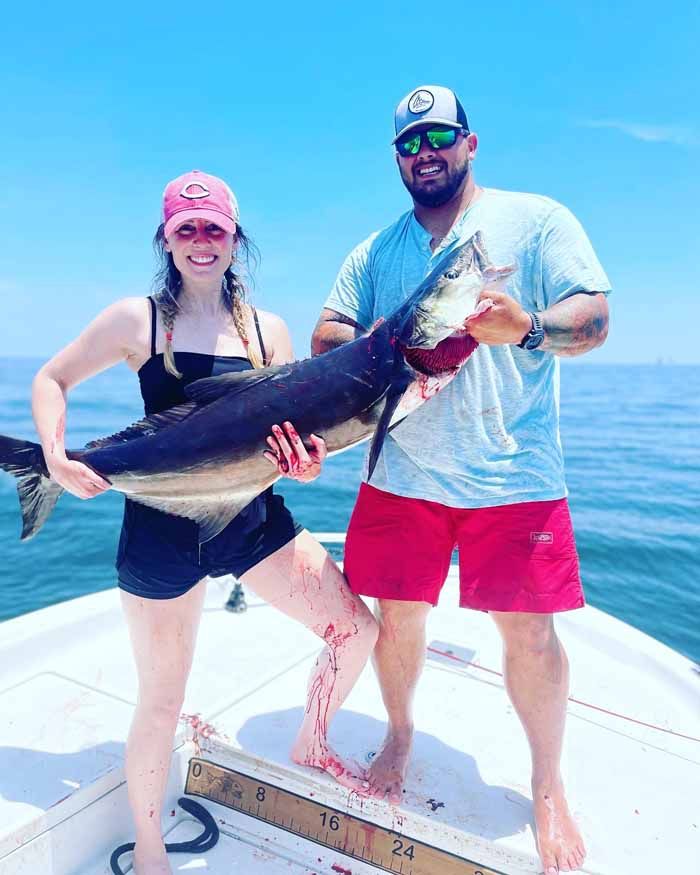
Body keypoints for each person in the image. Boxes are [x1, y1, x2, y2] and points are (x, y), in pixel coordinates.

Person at [31, 170, 378, 875]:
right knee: (161, 703)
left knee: (357, 628)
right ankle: (152, 851)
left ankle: (311, 742)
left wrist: (307, 465)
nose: (200, 241)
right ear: (166, 236)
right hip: (160, 531)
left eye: (213, 228)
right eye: (185, 228)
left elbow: (298, 441)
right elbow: (51, 379)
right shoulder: (138, 320)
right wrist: (54, 457)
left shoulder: (267, 330)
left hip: (250, 519)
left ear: (234, 238)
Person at [312, 86, 610, 875]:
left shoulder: (539, 221)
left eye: (440, 136)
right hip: (402, 469)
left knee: (530, 634)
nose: (425, 152)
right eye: (410, 143)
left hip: (514, 474)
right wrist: (366, 338)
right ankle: (400, 731)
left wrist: (531, 328)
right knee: (396, 618)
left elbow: (595, 319)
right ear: (398, 159)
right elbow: (330, 333)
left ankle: (547, 782)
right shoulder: (375, 253)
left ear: (471, 143)